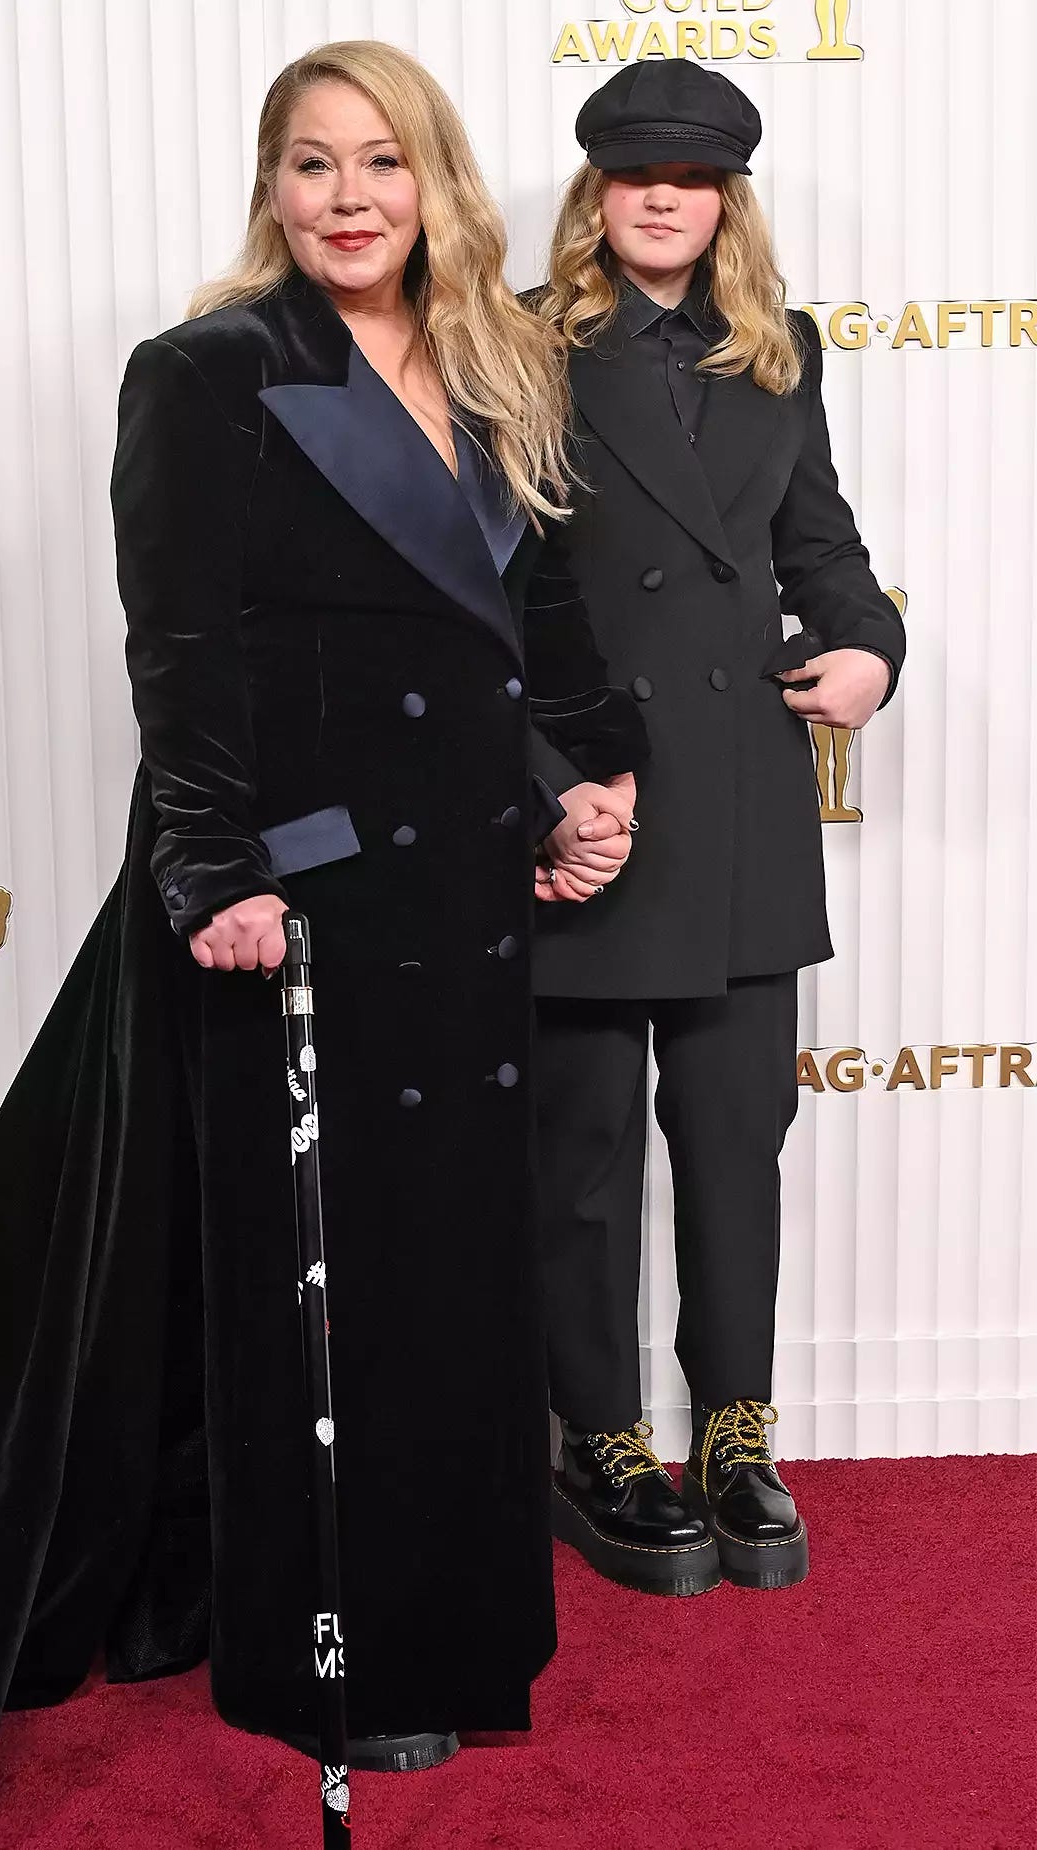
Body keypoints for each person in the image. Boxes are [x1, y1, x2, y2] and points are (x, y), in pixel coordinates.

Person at [0, 40, 647, 1848]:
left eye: (381, 163)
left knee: (447, 1272)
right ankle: (330, 1661)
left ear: (435, 179)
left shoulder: (505, 362)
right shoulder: (209, 374)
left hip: (464, 899)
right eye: (311, 166)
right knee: (324, 1294)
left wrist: (598, 777)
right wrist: (221, 871)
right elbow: (183, 648)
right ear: (269, 189)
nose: (348, 198)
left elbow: (546, 611)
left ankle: (462, 1621)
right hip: (308, 894)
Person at [528, 60, 905, 1597]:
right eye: (634, 173)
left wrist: (872, 645)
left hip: (746, 801)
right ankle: (600, 1435)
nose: (663, 196)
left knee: (738, 1139)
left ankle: (736, 1431)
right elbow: (498, 593)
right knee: (587, 1145)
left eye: (690, 174)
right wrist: (544, 780)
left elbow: (823, 544)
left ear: (728, 195)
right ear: (597, 193)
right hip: (599, 800)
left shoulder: (778, 352)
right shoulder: (525, 350)